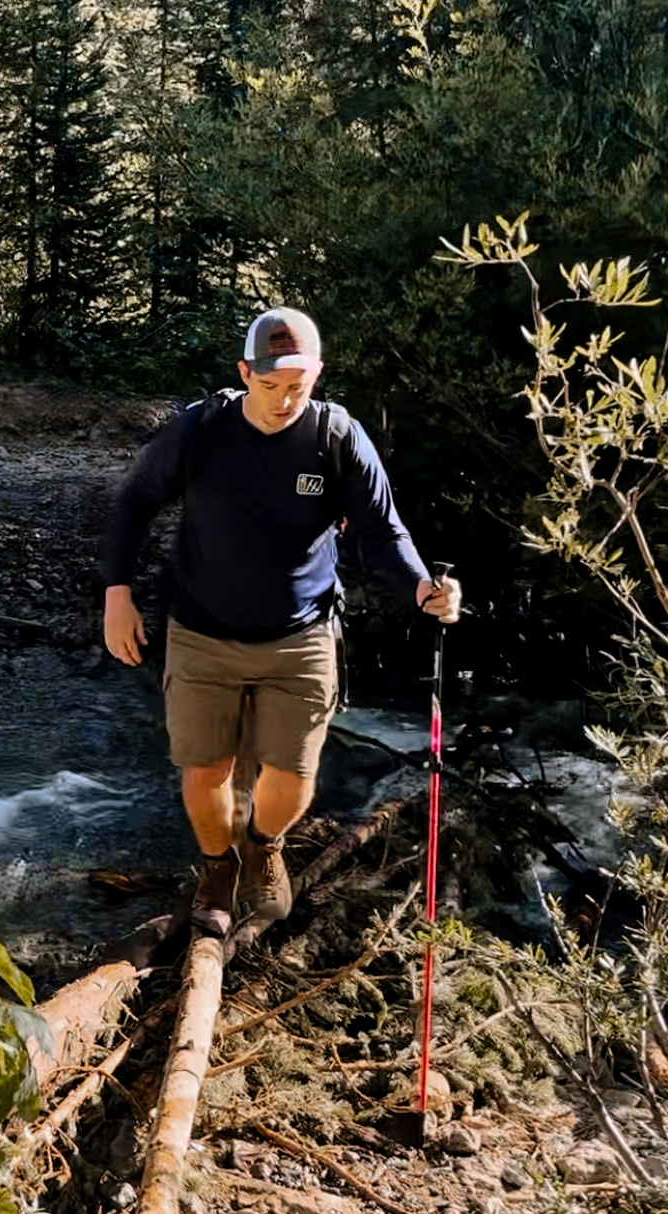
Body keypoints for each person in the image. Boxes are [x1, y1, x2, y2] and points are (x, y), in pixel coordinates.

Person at [101, 308, 461, 937]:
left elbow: (383, 531)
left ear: (316, 376)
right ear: (246, 374)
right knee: (205, 770)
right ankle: (216, 868)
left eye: (298, 386)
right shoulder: (201, 429)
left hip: (302, 635)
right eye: (270, 386)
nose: (284, 401)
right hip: (201, 629)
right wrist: (117, 595)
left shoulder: (336, 437)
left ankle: (264, 845)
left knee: (293, 777)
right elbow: (133, 502)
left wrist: (423, 588)